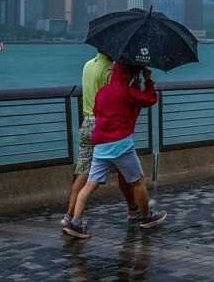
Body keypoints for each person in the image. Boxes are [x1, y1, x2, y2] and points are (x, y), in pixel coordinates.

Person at [63, 63, 167, 239]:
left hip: (100, 145)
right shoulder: (127, 92)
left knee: (90, 185)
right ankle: (147, 216)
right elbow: (150, 99)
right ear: (128, 75)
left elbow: (97, 111)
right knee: (137, 181)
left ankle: (75, 222)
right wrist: (148, 80)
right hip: (121, 145)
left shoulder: (102, 92)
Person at [62, 51, 138, 228]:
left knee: (82, 171)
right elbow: (116, 97)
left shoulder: (88, 65)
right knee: (124, 169)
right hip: (105, 124)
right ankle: (133, 210)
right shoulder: (109, 71)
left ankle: (69, 215)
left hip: (87, 122)